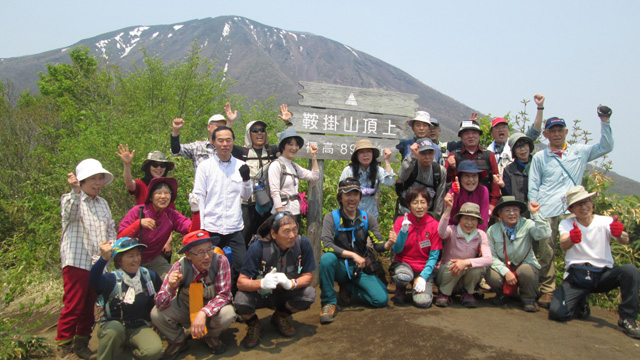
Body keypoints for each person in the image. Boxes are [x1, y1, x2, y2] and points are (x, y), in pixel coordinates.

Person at [528, 105, 614, 308]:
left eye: (560, 130)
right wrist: (534, 211)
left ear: (566, 132)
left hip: (571, 210)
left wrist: (605, 121)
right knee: (546, 251)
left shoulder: (579, 152)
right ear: (546, 134)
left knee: (576, 250)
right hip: (547, 209)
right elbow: (534, 184)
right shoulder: (540, 157)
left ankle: (574, 291)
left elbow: (606, 146)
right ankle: (548, 290)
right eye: (552, 131)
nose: (557, 134)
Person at [549, 186, 640, 339]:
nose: (584, 207)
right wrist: (572, 238)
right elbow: (564, 244)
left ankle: (628, 318)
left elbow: (624, 239)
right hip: (577, 276)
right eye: (579, 204)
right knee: (557, 313)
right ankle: (580, 303)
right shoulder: (567, 224)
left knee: (630, 270)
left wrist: (619, 233)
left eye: (586, 202)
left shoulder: (605, 221)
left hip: (602, 275)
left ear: (591, 202)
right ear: (571, 209)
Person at [56, 159, 117, 360]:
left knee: (91, 305)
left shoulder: (103, 203)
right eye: (93, 178)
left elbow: (110, 228)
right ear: (81, 181)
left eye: (100, 178)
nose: (98, 183)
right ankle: (64, 346)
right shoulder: (71, 199)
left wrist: (112, 247)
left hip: (98, 262)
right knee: (74, 304)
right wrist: (74, 191)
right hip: (77, 260)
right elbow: (70, 214)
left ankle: (81, 342)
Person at [234, 213, 316, 348]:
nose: (292, 235)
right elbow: (241, 282)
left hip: (285, 293)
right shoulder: (258, 248)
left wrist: (291, 283)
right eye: (286, 231)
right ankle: (254, 324)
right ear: (273, 233)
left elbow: (308, 276)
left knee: (309, 294)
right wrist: (261, 283)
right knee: (240, 301)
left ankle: (281, 315)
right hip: (262, 295)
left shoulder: (302, 244)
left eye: (295, 229)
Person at [151, 231, 236, 359]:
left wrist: (203, 313)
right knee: (156, 314)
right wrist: (170, 287)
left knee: (228, 314)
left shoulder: (220, 261)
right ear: (188, 255)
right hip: (187, 308)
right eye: (201, 252)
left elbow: (224, 295)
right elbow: (160, 303)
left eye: (209, 250)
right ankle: (179, 340)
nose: (207, 256)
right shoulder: (179, 267)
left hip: (211, 312)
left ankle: (210, 336)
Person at [318, 178, 391, 323]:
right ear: (340, 197)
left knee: (381, 299)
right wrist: (352, 255)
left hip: (360, 267)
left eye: (355, 194)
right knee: (326, 259)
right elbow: (326, 244)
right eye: (347, 194)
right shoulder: (331, 217)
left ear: (360, 197)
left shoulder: (367, 218)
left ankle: (349, 288)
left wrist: (388, 244)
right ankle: (329, 302)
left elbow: (378, 244)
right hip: (340, 266)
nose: (352, 199)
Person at [192, 126, 252, 292]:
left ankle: (234, 298)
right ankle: (213, 299)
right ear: (213, 142)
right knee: (210, 267)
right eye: (220, 140)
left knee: (241, 266)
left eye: (228, 140)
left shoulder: (241, 165)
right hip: (211, 227)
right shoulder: (205, 167)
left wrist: (246, 179)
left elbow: (246, 196)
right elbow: (199, 197)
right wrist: (201, 227)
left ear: (233, 142)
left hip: (234, 227)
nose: (225, 144)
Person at [90, 237, 163, 360]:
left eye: (137, 255)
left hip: (139, 326)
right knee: (114, 330)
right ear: (119, 260)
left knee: (154, 351)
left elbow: (159, 299)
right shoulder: (111, 279)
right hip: (114, 326)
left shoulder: (148, 276)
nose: (136, 259)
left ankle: (124, 355)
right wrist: (103, 259)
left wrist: (156, 321)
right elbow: (93, 280)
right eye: (130, 256)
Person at [118, 177, 199, 278]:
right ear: (151, 197)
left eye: (167, 193)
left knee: (174, 279)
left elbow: (193, 232)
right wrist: (138, 224)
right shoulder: (138, 211)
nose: (163, 196)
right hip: (131, 259)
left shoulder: (171, 215)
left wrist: (195, 211)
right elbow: (120, 239)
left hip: (153, 260)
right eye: (159, 193)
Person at [240, 104, 293, 247]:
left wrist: (288, 123)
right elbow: (221, 144)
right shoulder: (242, 152)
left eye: (262, 130)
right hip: (247, 204)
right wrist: (229, 123)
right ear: (248, 134)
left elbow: (290, 143)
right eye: (255, 130)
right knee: (244, 238)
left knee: (269, 237)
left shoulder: (272, 151)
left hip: (267, 203)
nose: (260, 133)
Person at [485, 196, 550, 312]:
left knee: (526, 271)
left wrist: (536, 214)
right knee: (491, 274)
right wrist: (506, 272)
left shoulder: (528, 224)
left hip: (524, 264)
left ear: (520, 211)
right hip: (504, 265)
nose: (512, 213)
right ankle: (503, 294)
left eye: (515, 209)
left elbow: (543, 234)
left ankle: (528, 298)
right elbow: (491, 256)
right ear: (500, 213)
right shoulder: (493, 230)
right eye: (507, 210)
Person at [388, 187, 442, 308]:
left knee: (423, 302)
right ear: (409, 205)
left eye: (423, 202)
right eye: (415, 202)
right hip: (404, 264)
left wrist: (423, 276)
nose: (419, 206)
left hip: (424, 267)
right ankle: (400, 289)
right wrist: (403, 231)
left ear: (428, 204)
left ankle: (419, 284)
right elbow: (397, 250)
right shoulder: (400, 221)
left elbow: (434, 256)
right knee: (403, 277)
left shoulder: (434, 225)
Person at [435, 198, 492, 308]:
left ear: (478, 222)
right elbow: (441, 232)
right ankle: (444, 294)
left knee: (478, 267)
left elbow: (488, 259)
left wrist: (465, 262)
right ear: (460, 219)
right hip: (446, 275)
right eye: (466, 218)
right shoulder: (452, 230)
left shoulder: (481, 234)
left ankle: (468, 293)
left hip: (464, 277)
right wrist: (448, 210)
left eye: (473, 220)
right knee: (453, 265)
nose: (469, 223)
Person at [445, 119, 501, 210]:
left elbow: (495, 181)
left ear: (479, 135)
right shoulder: (453, 155)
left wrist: (492, 204)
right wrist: (451, 168)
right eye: (466, 133)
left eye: (474, 133)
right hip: (459, 206)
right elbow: (445, 181)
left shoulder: (489, 155)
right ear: (461, 137)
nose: (471, 136)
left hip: (483, 204)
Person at [268, 128, 319, 222]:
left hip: (295, 212)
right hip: (282, 213)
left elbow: (314, 176)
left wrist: (313, 156)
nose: (294, 148)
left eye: (296, 145)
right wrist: (281, 215)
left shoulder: (293, 166)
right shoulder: (276, 165)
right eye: (290, 144)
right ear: (283, 146)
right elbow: (274, 192)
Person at [487, 94, 545, 176]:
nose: (501, 129)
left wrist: (540, 107)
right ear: (492, 132)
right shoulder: (487, 152)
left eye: (504, 127)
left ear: (508, 130)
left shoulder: (517, 144)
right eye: (497, 127)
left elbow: (535, 130)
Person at [170, 102, 238, 171]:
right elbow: (176, 150)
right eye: (218, 126)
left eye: (223, 127)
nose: (220, 129)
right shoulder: (197, 147)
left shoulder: (227, 148)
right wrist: (176, 130)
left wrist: (230, 122)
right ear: (209, 127)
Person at [339, 139, 395, 218]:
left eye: (369, 151)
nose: (366, 155)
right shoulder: (348, 171)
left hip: (370, 215)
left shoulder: (377, 170)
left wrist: (386, 160)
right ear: (356, 156)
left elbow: (389, 182)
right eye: (361, 152)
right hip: (350, 215)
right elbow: (340, 192)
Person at [395, 137, 446, 217]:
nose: (427, 157)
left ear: (435, 153)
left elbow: (439, 198)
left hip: (427, 215)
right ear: (417, 152)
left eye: (430, 153)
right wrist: (413, 157)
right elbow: (402, 176)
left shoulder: (439, 171)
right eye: (423, 153)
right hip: (405, 213)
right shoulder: (409, 164)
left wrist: (436, 218)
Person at [447, 160, 490, 231]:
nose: (471, 180)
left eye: (474, 176)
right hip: (455, 231)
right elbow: (450, 214)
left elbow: (484, 217)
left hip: (476, 233)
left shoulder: (483, 190)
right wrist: (456, 194)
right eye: (466, 176)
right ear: (460, 178)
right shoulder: (454, 190)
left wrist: (477, 237)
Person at [501, 133, 535, 202]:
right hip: (519, 210)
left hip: (538, 207)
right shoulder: (508, 170)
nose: (522, 149)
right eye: (518, 146)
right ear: (513, 150)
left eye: (524, 145)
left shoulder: (537, 164)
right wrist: (502, 186)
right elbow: (508, 196)